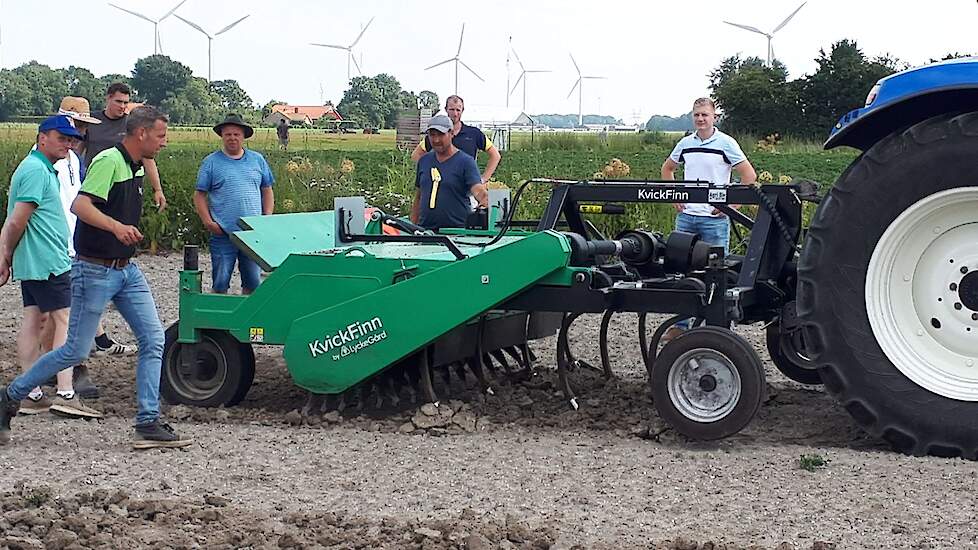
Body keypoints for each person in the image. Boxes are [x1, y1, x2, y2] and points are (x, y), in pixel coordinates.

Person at [0, 106, 192, 449]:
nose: (165, 142)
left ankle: (147, 421)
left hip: (126, 270)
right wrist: (117, 227)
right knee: (74, 349)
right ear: (141, 134)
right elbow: (81, 206)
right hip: (94, 268)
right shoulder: (109, 162)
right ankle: (10, 396)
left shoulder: (135, 164)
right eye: (161, 135)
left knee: (154, 340)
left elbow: (145, 169)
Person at [0, 116, 101, 420]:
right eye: (61, 138)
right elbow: (18, 219)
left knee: (35, 318)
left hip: (35, 259)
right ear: (42, 137)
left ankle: (31, 392)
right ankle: (66, 392)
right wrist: (5, 253)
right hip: (47, 259)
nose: (68, 144)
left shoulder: (37, 168)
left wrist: (8, 255)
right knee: (65, 320)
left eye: (71, 139)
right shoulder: (35, 171)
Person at [660, 97, 757, 342]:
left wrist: (732, 206)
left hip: (713, 220)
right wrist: (674, 194)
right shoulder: (685, 144)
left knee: (716, 273)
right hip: (687, 218)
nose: (701, 119)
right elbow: (667, 169)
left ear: (714, 117)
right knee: (683, 272)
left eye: (705, 114)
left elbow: (748, 175)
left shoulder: (726, 143)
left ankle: (718, 327)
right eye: (697, 115)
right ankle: (680, 326)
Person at [84, 83, 165, 359]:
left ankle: (148, 404)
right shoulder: (95, 126)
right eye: (118, 101)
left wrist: (157, 188)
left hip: (121, 208)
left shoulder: (130, 127)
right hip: (95, 191)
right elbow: (77, 153)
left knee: (155, 341)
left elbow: (148, 159)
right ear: (108, 99)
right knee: (74, 348)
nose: (122, 106)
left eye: (126, 102)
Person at [194, 114, 275, 294]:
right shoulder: (211, 162)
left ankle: (248, 320)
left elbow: (267, 189)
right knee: (221, 282)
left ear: (243, 136)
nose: (232, 138)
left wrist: (266, 218)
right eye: (228, 134)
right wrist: (208, 222)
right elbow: (199, 195)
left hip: (252, 234)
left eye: (236, 134)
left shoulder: (257, 160)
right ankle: (219, 319)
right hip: (223, 232)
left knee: (253, 284)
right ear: (222, 136)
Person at [410, 114, 489, 230]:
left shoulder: (465, 162)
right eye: (432, 135)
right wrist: (413, 228)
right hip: (426, 232)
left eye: (441, 135)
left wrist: (485, 199)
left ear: (451, 134)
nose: (436, 140)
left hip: (456, 233)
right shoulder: (424, 161)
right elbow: (419, 196)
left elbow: (478, 190)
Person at [411, 95, 501, 185]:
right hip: (442, 188)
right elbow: (416, 155)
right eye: (452, 109)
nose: (455, 114)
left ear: (462, 110)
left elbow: (495, 155)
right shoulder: (436, 135)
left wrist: (484, 178)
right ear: (446, 109)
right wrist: (427, 174)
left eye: (458, 110)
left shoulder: (474, 133)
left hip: (468, 188)